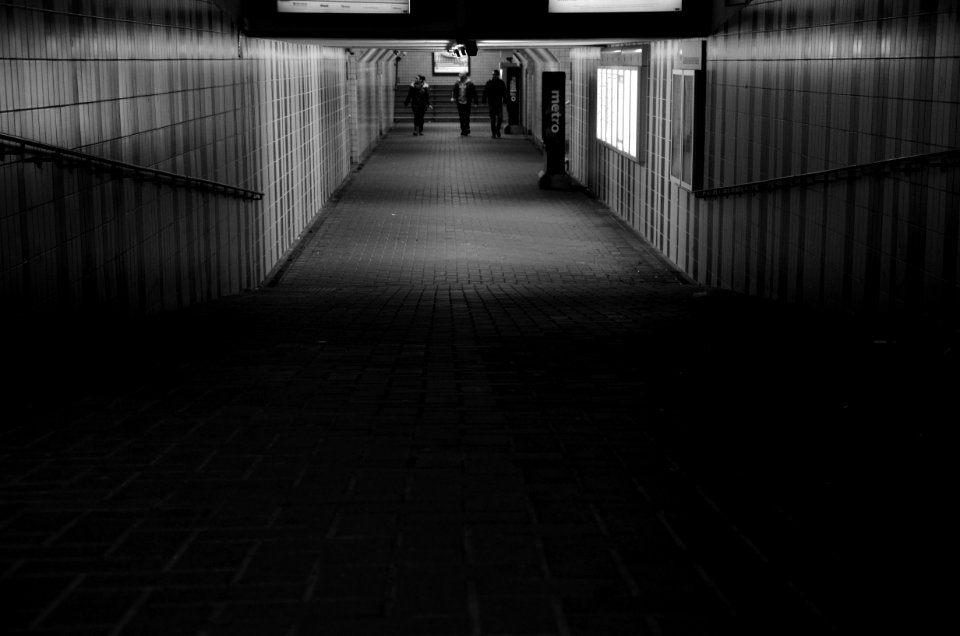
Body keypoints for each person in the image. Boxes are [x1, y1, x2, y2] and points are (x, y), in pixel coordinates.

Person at [482, 69, 508, 138]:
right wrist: (484, 100)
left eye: (495, 75)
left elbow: (504, 92)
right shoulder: (489, 83)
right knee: (493, 119)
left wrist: (505, 100)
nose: (494, 76)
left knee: (500, 118)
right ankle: (494, 133)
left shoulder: (501, 83)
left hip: (498, 103)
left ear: (498, 75)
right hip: (492, 103)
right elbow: (485, 91)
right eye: (493, 75)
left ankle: (497, 130)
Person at [450, 72, 477, 136]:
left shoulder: (470, 83)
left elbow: (474, 93)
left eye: (461, 76)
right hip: (459, 102)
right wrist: (452, 97)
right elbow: (453, 90)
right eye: (459, 76)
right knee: (461, 116)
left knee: (467, 116)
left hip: (467, 102)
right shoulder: (457, 82)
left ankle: (467, 128)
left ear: (465, 76)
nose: (460, 77)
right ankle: (462, 129)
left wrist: (475, 102)